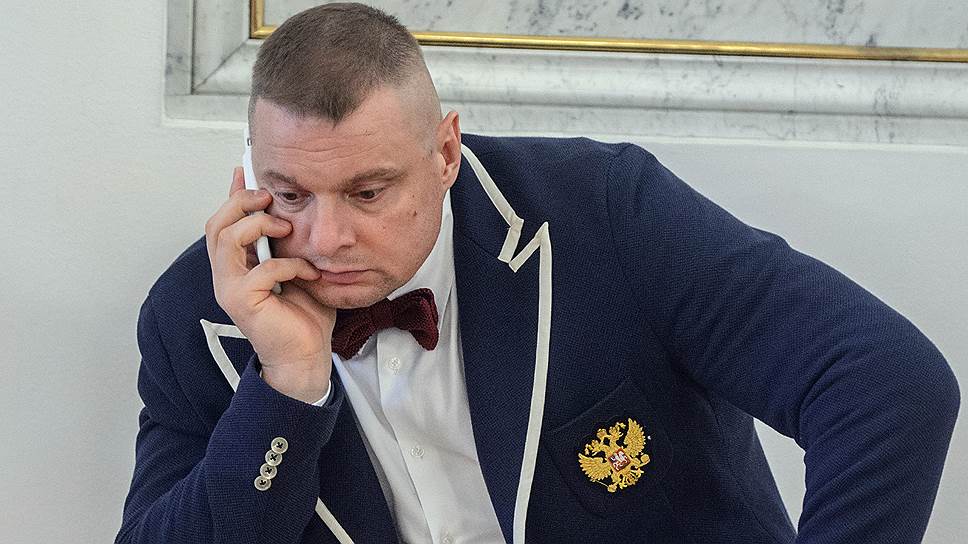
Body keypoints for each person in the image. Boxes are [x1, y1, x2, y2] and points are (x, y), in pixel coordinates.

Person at [116, 3, 960, 543]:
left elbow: (886, 383)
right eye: (292, 193)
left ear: (446, 152)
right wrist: (284, 390)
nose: (326, 237)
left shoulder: (605, 212)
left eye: (369, 192)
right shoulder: (198, 316)